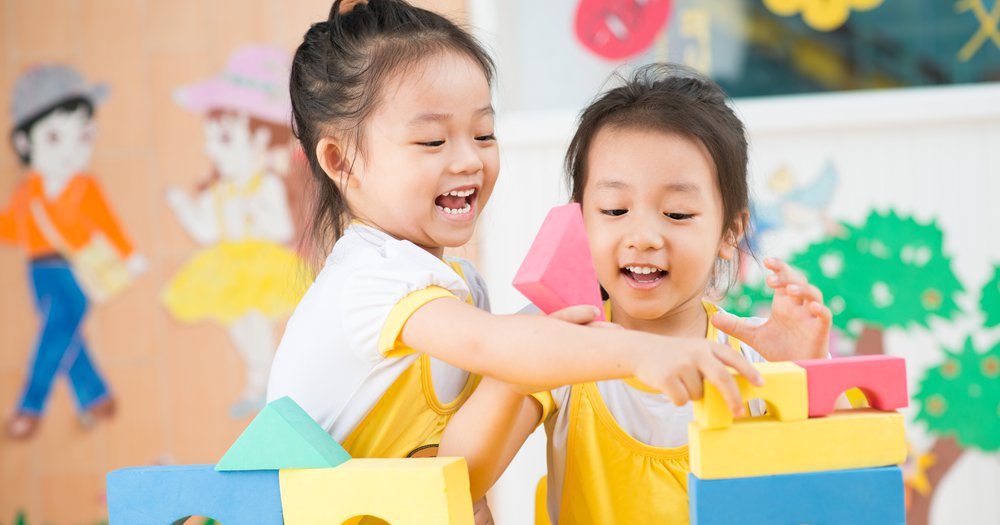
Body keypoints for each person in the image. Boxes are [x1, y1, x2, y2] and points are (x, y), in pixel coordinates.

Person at [267, 0, 764, 488]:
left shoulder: (462, 292)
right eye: (433, 142)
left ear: (730, 231)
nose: (468, 160)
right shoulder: (369, 280)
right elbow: (497, 347)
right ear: (341, 161)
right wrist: (643, 353)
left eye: (483, 134)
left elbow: (456, 464)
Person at [439, 64, 835, 524]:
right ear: (580, 221)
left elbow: (835, 493)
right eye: (614, 209)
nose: (643, 235)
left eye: (677, 213)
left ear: (730, 231)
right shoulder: (565, 342)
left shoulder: (752, 361)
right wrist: (516, 363)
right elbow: (461, 479)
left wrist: (806, 375)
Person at [163, 44, 309, 418]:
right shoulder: (221, 191)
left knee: (257, 324)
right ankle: (261, 382)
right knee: (241, 327)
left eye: (224, 138)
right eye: (212, 138)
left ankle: (269, 383)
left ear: (262, 140)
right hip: (228, 269)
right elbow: (208, 230)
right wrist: (183, 206)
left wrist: (254, 209)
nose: (213, 149)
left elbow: (279, 227)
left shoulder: (268, 186)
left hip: (262, 266)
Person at [1, 65, 146, 439]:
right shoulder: (28, 191)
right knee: (64, 333)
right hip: (39, 271)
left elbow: (108, 224)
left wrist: (129, 255)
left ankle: (31, 407)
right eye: (53, 136)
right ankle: (94, 396)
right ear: (24, 143)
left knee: (59, 330)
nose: (70, 149)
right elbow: (13, 228)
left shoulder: (84, 187)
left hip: (77, 269)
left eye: (81, 136)